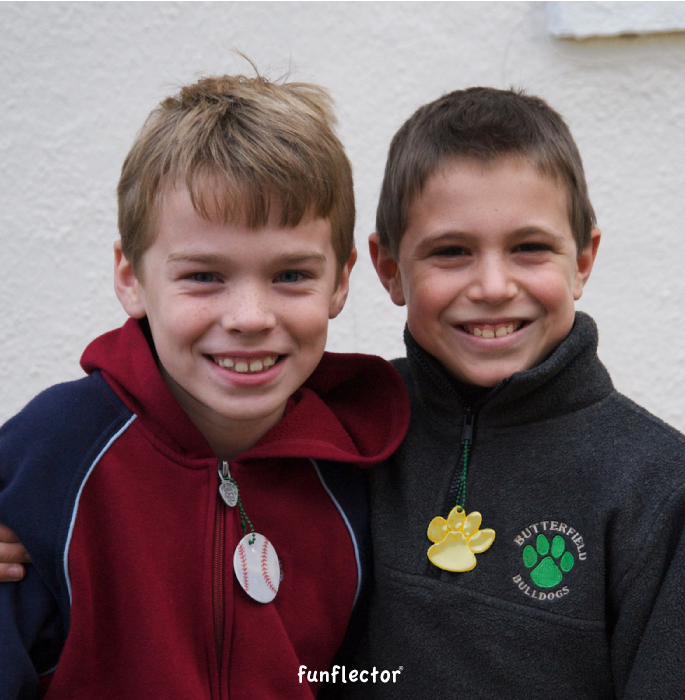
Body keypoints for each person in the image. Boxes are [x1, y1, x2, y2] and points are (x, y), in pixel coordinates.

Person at [0, 73, 409, 699]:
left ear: (341, 280)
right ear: (131, 277)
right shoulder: (55, 452)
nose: (249, 316)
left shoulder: (367, 465)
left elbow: (353, 674)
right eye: (204, 277)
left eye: (292, 274)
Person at [342, 87, 685, 698]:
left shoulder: (662, 490)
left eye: (529, 248)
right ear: (389, 269)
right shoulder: (351, 425)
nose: (492, 285)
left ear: (582, 260)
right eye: (451, 252)